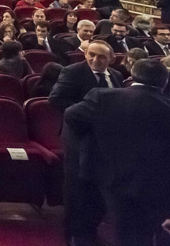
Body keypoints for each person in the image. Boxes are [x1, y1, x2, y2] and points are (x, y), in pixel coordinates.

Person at [64, 59, 170, 246]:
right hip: (148, 183)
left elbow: (72, 116)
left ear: (132, 75)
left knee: (87, 229)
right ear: (165, 81)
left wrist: (96, 140)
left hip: (101, 174)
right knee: (137, 235)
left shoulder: (101, 97)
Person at [48, 40, 123, 246]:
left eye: (100, 57)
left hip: (106, 142)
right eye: (91, 54)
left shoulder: (116, 76)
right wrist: (88, 115)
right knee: (76, 186)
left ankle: (91, 228)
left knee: (99, 186)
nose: (94, 59)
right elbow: (56, 99)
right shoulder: (72, 72)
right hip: (78, 138)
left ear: (112, 59)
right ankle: (73, 233)